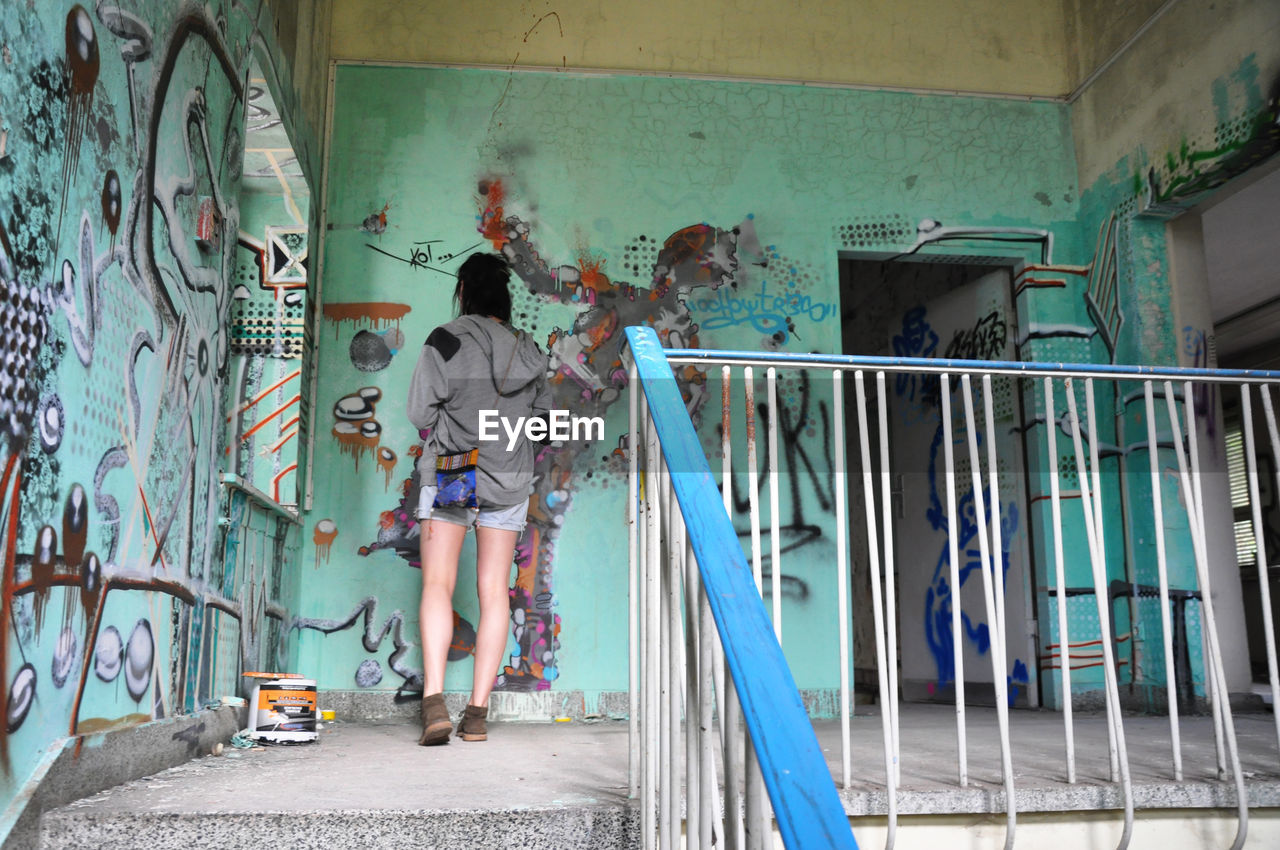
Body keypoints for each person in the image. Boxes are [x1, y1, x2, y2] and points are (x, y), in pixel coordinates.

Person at [406, 252, 550, 745]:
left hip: (454, 468)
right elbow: (543, 422)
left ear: (464, 287)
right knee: (494, 593)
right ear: (505, 295)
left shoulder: (446, 339)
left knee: (438, 585)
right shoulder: (528, 349)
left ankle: (434, 706)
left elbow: (418, 411)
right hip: (509, 474)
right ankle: (477, 715)